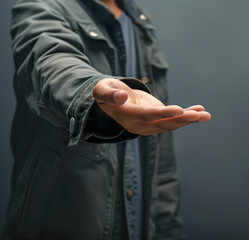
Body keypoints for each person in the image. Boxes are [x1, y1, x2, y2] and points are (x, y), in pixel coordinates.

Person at [3, 0, 211, 239]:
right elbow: (53, 62)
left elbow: (160, 167)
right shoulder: (42, 5)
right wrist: (91, 90)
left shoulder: (139, 24)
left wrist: (168, 231)